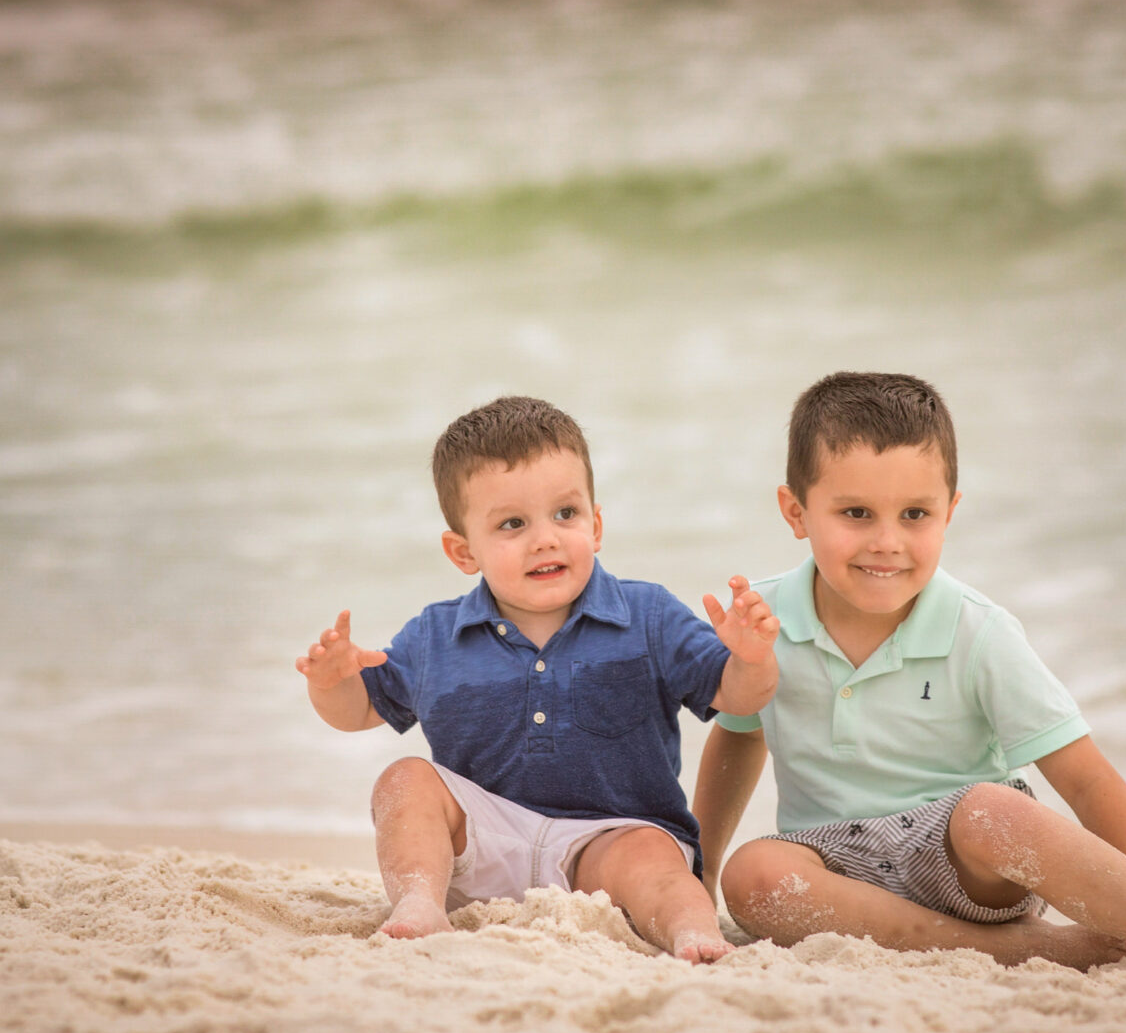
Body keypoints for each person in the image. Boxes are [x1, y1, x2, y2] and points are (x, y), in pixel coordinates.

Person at [695, 371, 1126, 987]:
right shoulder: (767, 620)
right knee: (753, 876)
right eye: (857, 513)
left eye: (916, 514)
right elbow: (738, 737)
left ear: (951, 509)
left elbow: (1086, 779)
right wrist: (702, 876)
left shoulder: (979, 632)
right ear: (795, 511)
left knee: (994, 809)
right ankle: (1030, 951)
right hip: (834, 866)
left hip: (961, 858)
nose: (887, 541)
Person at [296, 393, 778, 962]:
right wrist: (331, 682)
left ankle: (693, 934)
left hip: (611, 841)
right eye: (512, 524)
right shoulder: (435, 634)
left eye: (565, 514)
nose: (545, 537)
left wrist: (750, 658)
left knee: (655, 854)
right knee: (403, 780)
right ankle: (420, 904)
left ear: (596, 525)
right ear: (462, 551)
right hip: (482, 845)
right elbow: (358, 713)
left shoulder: (647, 616)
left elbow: (740, 696)